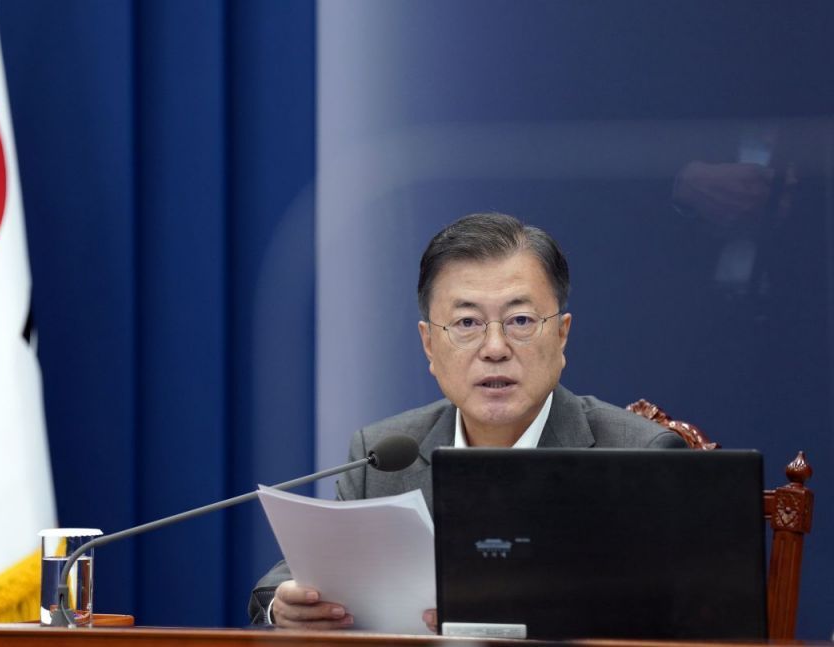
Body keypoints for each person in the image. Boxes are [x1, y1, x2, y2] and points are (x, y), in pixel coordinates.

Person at [247, 212, 686, 631]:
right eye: (467, 322)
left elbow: (686, 619)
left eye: (520, 320)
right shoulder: (383, 454)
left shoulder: (639, 456)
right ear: (429, 345)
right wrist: (281, 607)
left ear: (561, 333)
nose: (495, 347)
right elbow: (294, 577)